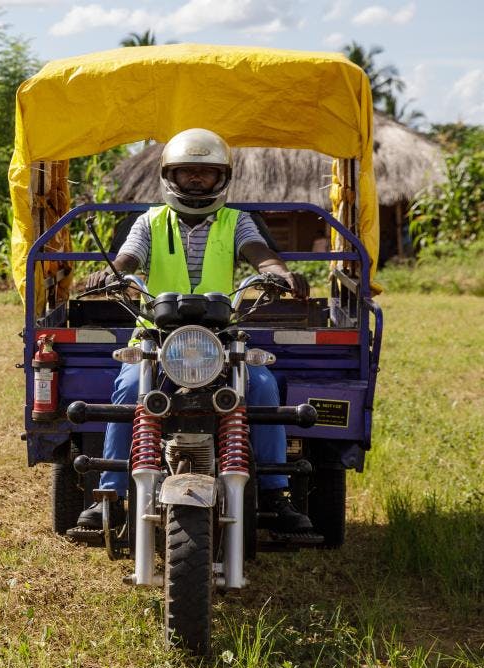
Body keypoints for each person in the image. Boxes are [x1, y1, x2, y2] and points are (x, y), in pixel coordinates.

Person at [72, 127, 314, 535]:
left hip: (220, 339)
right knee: (129, 388)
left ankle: (274, 491)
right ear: (171, 176)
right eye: (188, 173)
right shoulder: (150, 222)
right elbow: (128, 257)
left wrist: (281, 274)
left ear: (223, 178)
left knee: (262, 387)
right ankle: (110, 495)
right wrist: (113, 274)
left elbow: (261, 256)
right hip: (155, 338)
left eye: (207, 173)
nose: (197, 180)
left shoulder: (237, 221)